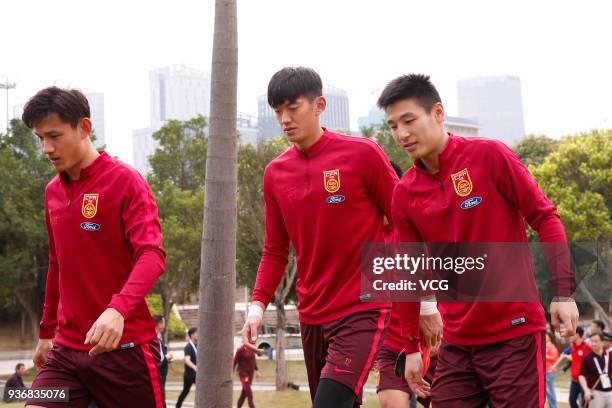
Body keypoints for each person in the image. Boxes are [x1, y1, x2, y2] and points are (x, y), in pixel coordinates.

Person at [377, 74, 579, 407]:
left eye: (409, 121)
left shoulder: (490, 156)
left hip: (513, 334)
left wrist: (563, 292)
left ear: (438, 113)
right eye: (393, 126)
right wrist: (412, 347)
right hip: (456, 343)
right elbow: (408, 273)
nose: (402, 134)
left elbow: (545, 217)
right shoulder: (405, 193)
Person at [241, 67, 429, 407]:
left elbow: (408, 225)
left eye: (292, 108)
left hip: (363, 308)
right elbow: (274, 251)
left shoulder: (363, 155)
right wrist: (256, 308)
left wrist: (426, 301)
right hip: (311, 314)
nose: (284, 119)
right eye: (277, 111)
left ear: (319, 105)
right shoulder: (275, 174)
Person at [22, 87, 166, 408]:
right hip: (66, 352)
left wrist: (117, 309)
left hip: (124, 350)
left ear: (84, 128)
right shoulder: (52, 193)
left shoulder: (125, 181)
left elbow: (152, 255)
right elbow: (57, 264)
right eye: (40, 138)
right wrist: (47, 332)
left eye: (54, 136)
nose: (47, 148)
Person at [579, 333, 612, 407]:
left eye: (596, 341)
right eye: (592, 341)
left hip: (610, 392)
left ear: (602, 342)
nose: (593, 344)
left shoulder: (609, 355)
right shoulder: (587, 359)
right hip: (596, 393)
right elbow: (581, 376)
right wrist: (586, 390)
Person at [175, 327, 197, 408]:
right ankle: (178, 406)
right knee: (185, 391)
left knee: (201, 390)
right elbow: (187, 360)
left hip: (196, 375)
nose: (198, 335)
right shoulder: (188, 347)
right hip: (189, 375)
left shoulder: (197, 345)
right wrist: (195, 367)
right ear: (192, 335)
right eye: (196, 333)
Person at [233, 344, 261, 408]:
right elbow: (235, 361)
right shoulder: (240, 350)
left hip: (250, 374)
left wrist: (257, 370)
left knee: (244, 394)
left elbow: (253, 360)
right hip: (243, 374)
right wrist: (231, 370)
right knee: (249, 393)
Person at [154, 315, 173, 393]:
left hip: (162, 373)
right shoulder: (153, 337)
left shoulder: (159, 335)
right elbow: (157, 357)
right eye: (164, 323)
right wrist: (167, 357)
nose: (164, 325)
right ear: (160, 324)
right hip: (158, 374)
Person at [545, 332, 560, 408]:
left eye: (546, 336)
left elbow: (553, 357)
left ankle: (554, 406)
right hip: (545, 371)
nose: (544, 337)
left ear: (550, 337)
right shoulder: (545, 346)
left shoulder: (551, 346)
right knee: (548, 392)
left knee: (550, 391)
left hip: (550, 371)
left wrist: (544, 355)